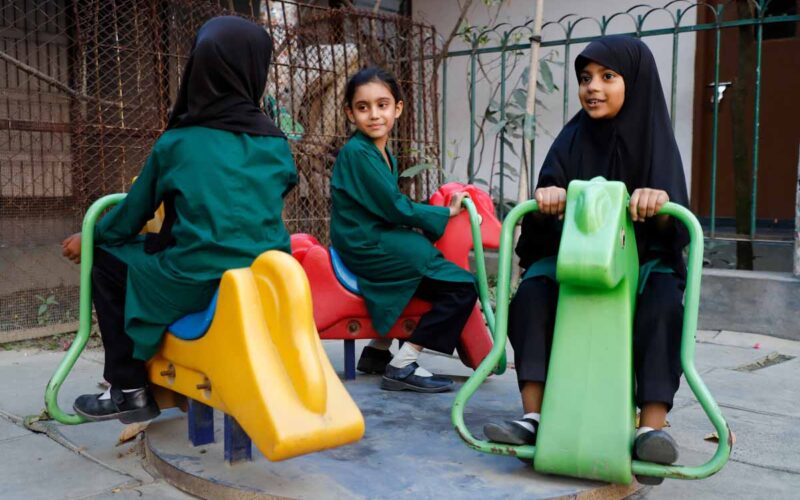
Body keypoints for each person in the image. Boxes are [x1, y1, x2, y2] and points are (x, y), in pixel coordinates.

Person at [61, 16, 298, 423]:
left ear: (199, 71)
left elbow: (129, 218)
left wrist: (89, 237)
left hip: (198, 281)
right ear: (253, 71)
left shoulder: (179, 142)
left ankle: (129, 389)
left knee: (106, 262)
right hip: (266, 280)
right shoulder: (277, 143)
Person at [482, 36, 689, 485]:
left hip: (643, 264)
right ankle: (533, 417)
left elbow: (673, 230)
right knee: (534, 293)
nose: (592, 87)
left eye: (607, 77)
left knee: (664, 301)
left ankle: (651, 427)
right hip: (574, 260)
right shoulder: (572, 136)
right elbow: (543, 207)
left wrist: (658, 199)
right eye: (585, 78)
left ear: (634, 81)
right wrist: (549, 195)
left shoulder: (655, 140)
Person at [330, 67, 477, 393]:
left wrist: (426, 213)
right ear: (350, 113)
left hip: (369, 234)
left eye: (382, 105)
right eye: (363, 107)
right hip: (366, 241)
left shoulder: (379, 152)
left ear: (397, 108)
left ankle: (377, 351)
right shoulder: (358, 153)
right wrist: (443, 212)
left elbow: (387, 203)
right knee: (463, 287)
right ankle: (404, 362)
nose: (374, 115)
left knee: (421, 256)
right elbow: (393, 206)